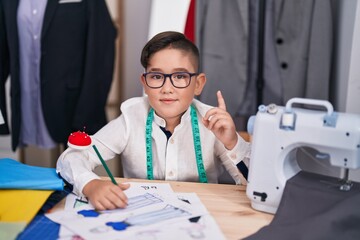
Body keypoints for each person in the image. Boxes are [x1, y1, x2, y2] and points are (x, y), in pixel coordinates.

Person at [56, 31, 251, 210]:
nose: (167, 88)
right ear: (145, 83)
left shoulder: (212, 122)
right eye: (157, 76)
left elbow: (257, 185)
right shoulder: (131, 118)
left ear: (198, 84)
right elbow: (70, 157)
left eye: (180, 76)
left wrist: (232, 142)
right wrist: (90, 184)